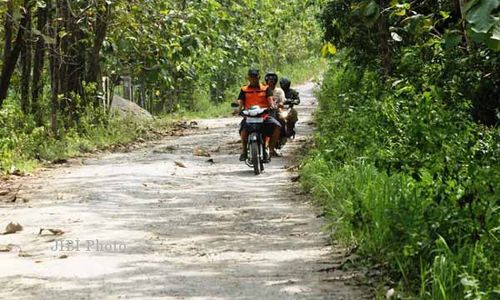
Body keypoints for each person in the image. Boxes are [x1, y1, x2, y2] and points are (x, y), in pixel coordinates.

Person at [237, 68, 281, 161]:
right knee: (243, 131)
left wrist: (272, 106)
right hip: (249, 116)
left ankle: (271, 149)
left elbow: (270, 100)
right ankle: (244, 151)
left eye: (255, 77)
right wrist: (238, 110)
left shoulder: (265, 88)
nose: (253, 79)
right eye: (251, 77)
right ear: (248, 78)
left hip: (263, 116)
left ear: (259, 77)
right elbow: (240, 103)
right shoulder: (244, 90)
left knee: (277, 126)